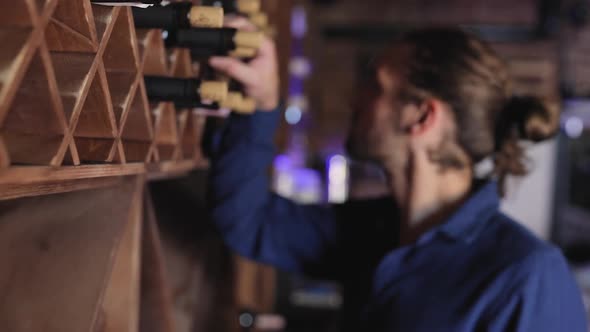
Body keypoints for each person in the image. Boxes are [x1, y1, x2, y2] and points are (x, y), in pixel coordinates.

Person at [208, 20, 588, 332]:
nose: (354, 98)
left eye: (376, 85)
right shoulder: (377, 228)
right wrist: (261, 106)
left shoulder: (528, 277)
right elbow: (248, 221)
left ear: (421, 117)